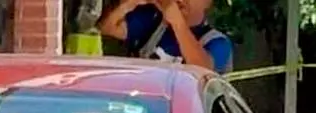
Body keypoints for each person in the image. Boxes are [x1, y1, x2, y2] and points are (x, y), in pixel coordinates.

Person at [98, 0, 233, 74]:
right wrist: (129, 4)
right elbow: (107, 28)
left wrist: (177, 22)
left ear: (207, 2)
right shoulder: (153, 20)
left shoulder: (218, 42)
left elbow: (203, 69)